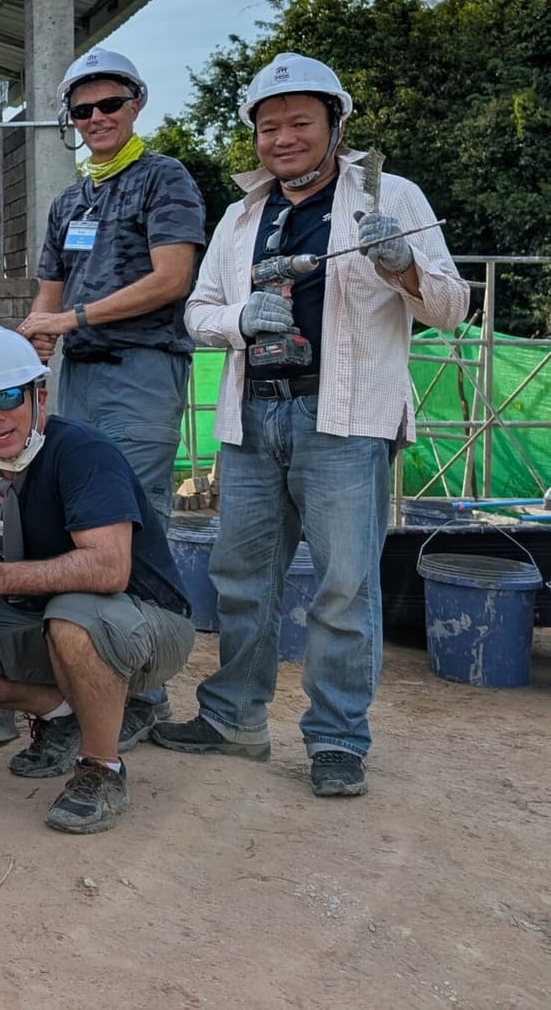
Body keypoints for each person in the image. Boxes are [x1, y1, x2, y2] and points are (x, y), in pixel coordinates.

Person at [153, 53, 466, 798]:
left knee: (343, 587)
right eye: (269, 127)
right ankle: (234, 717)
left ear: (336, 124)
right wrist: (239, 319)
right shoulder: (239, 218)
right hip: (253, 419)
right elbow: (196, 313)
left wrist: (403, 265)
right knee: (241, 581)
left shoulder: (391, 197)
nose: (283, 138)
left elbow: (452, 307)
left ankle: (335, 739)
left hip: (345, 426)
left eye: (300, 122)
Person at [0, 324, 195, 835]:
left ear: (39, 392)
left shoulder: (82, 453)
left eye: (7, 395)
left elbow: (109, 568)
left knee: (72, 618)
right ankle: (62, 712)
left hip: (145, 621)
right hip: (41, 622)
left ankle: (102, 769)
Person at [15, 46, 205, 744]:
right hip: (81, 376)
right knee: (78, 521)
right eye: (82, 109)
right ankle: (96, 675)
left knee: (136, 525)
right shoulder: (71, 200)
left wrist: (71, 321)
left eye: (108, 105)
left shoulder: (164, 179)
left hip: (142, 367)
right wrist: (35, 354)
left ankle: (142, 688)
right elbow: (48, 295)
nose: (95, 118)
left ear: (136, 106)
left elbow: (171, 278)